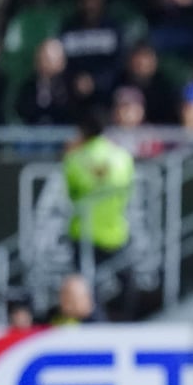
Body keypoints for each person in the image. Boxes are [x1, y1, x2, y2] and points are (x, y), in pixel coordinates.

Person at [63, 110, 136, 320]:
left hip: (83, 232)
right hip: (115, 231)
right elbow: (127, 190)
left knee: (87, 288)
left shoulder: (75, 159)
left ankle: (97, 324)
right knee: (126, 279)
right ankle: (124, 323)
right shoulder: (122, 156)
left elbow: (73, 194)